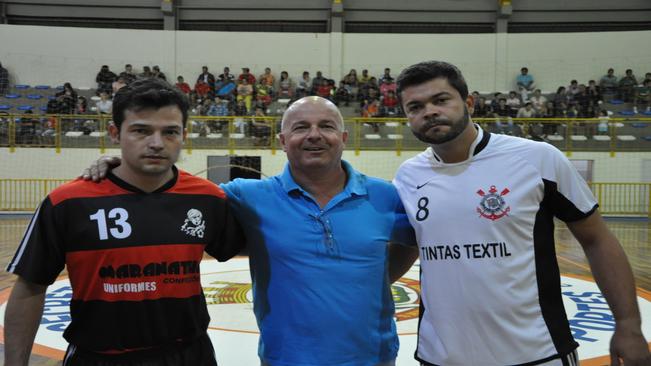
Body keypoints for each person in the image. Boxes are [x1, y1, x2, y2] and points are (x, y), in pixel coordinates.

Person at [82, 96, 419, 366]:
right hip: (285, 357)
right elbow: (175, 188)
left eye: (326, 126)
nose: (314, 135)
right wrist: (121, 164)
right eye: (301, 127)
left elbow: (410, 242)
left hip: (374, 357)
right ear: (283, 141)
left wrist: (378, 277)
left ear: (344, 138)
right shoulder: (248, 196)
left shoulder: (385, 195)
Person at [393, 60, 651, 366]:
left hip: (537, 352)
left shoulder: (537, 159)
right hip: (441, 356)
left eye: (441, 100)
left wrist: (628, 325)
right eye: (416, 106)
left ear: (469, 102)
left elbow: (596, 239)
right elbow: (406, 247)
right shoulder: (407, 177)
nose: (429, 112)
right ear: (408, 116)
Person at [5, 78, 244, 365]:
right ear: (115, 133)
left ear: (184, 135)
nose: (156, 143)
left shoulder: (207, 198)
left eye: (170, 132)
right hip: (98, 358)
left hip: (189, 355)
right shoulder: (67, 202)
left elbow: (254, 248)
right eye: (141, 131)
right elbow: (30, 288)